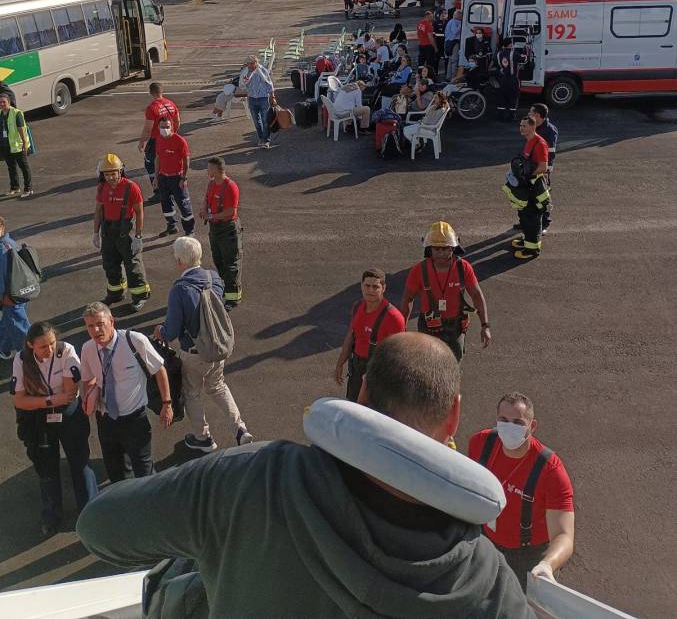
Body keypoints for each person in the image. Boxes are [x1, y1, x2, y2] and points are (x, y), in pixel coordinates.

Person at [77, 333, 534, 619]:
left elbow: (99, 526)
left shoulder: (251, 478)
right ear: (453, 417)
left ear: (362, 392)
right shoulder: (486, 582)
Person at [154, 236, 253, 453]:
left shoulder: (179, 290)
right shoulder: (213, 278)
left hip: (194, 353)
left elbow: (171, 331)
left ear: (180, 261)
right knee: (218, 386)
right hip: (218, 347)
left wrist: (160, 330)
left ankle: (203, 438)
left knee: (192, 393)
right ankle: (240, 429)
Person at [469, 392, 575, 591]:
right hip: (487, 542)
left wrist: (547, 565)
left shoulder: (550, 470)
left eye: (518, 422)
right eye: (503, 420)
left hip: (529, 556)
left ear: (532, 426)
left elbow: (564, 535)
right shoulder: (480, 444)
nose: (509, 427)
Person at [11, 321, 98, 535]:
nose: (49, 350)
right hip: (41, 419)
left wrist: (40, 399)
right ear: (31, 345)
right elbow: (19, 401)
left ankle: (92, 512)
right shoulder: (21, 360)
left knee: (80, 463)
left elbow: (69, 393)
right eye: (43, 347)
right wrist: (50, 400)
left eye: (51, 343)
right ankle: (52, 515)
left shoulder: (66, 350)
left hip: (69, 414)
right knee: (46, 468)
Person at [80, 302, 172, 483]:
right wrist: (90, 396)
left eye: (100, 323)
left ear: (111, 321)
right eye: (91, 326)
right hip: (106, 419)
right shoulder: (87, 349)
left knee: (143, 471)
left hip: (135, 419)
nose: (96, 330)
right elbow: (88, 378)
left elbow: (159, 370)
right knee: (116, 473)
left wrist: (167, 404)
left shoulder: (134, 340)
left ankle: (150, 506)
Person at [401, 221, 490, 364]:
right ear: (429, 249)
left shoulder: (464, 268)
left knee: (454, 363)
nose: (441, 253)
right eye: (437, 249)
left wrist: (485, 326)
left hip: (456, 327)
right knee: (428, 364)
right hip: (429, 329)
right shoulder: (419, 271)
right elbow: (407, 299)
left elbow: (476, 295)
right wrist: (402, 328)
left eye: (445, 249)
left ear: (453, 248)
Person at [334, 269, 406, 400]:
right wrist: (340, 363)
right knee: (353, 408)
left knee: (373, 414)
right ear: (361, 286)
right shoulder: (357, 307)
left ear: (383, 288)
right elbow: (351, 336)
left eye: (375, 286)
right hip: (357, 368)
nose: (371, 290)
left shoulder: (394, 318)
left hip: (379, 372)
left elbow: (398, 355)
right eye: (367, 286)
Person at [93, 153, 150, 311]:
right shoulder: (102, 188)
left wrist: (138, 236)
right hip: (108, 231)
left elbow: (139, 212)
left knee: (133, 265)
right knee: (110, 264)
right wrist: (95, 233)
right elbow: (98, 210)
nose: (110, 177)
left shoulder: (131, 187)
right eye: (107, 174)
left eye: (113, 173)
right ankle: (116, 293)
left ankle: (140, 296)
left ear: (120, 171)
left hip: (127, 232)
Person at [199, 158, 243, 307]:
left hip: (227, 229)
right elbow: (206, 199)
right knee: (219, 260)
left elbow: (231, 211)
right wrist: (203, 209)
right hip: (215, 229)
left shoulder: (230, 187)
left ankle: (233, 297)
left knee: (231, 263)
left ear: (217, 170)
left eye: (209, 168)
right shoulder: (212, 184)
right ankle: (226, 288)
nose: (207, 171)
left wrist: (212, 216)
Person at [507, 117, 550, 260]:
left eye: (524, 126)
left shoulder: (540, 143)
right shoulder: (529, 141)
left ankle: (532, 249)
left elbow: (543, 167)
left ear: (533, 127)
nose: (521, 128)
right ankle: (526, 240)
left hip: (534, 188)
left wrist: (527, 177)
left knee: (533, 218)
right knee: (524, 215)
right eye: (520, 125)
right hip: (526, 187)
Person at [137, 83, 180, 202]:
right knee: (166, 164)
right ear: (162, 91)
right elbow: (177, 121)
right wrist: (172, 134)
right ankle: (170, 190)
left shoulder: (152, 108)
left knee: (150, 164)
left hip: (156, 140)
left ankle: (158, 192)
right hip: (168, 138)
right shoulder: (171, 104)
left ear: (150, 92)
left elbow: (148, 128)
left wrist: (141, 141)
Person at [153, 117, 195, 238]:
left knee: (183, 204)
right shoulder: (159, 139)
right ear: (158, 127)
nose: (164, 129)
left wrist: (183, 178)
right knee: (165, 202)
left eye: (167, 127)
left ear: (172, 126)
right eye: (162, 127)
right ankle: (171, 226)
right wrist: (156, 178)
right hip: (163, 177)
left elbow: (186, 161)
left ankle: (189, 231)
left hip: (177, 178)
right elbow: (158, 158)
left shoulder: (179, 141)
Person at [0, 215, 29, 359]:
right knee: (9, 320)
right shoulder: (10, 243)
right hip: (20, 291)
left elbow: (2, 278)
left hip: (9, 295)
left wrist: (2, 297)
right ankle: (3, 347)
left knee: (18, 326)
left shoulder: (2, 250)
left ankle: (28, 354)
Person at [528, 103, 558, 232]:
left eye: (531, 112)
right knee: (530, 196)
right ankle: (529, 221)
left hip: (541, 169)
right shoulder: (534, 127)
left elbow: (550, 153)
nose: (529, 114)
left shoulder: (549, 131)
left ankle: (545, 222)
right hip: (531, 168)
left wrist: (546, 171)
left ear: (537, 115)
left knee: (543, 196)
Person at [0, 92, 32, 198]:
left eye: (4, 102)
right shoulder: (0, 113)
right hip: (5, 145)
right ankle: (14, 187)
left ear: (9, 102)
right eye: (0, 102)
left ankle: (28, 189)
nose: (2, 104)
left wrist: (25, 144)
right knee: (11, 167)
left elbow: (22, 130)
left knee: (23, 167)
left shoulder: (16, 113)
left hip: (18, 145)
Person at [243, 54, 274, 149]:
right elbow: (243, 84)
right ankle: (261, 138)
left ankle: (266, 140)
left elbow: (269, 84)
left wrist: (273, 96)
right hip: (252, 99)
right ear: (247, 64)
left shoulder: (262, 70)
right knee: (256, 121)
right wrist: (245, 80)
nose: (251, 65)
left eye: (253, 63)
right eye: (249, 64)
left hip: (263, 98)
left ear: (256, 63)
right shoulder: (246, 72)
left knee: (265, 120)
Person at [496, 37, 521, 122]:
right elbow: (524, 59)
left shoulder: (499, 53)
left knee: (502, 97)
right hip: (512, 79)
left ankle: (500, 116)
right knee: (513, 97)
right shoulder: (514, 53)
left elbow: (496, 64)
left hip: (502, 79)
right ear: (511, 44)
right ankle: (511, 116)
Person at [444, 8, 463, 82]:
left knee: (450, 60)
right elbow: (455, 31)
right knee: (454, 60)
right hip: (454, 43)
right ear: (458, 16)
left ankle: (448, 77)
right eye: (461, 16)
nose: (461, 17)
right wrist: (461, 24)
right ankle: (453, 77)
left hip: (448, 43)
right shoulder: (455, 22)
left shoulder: (450, 21)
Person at [432, 8, 447, 72]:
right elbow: (433, 33)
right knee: (436, 59)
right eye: (444, 13)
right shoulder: (436, 22)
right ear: (441, 14)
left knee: (446, 59)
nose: (446, 14)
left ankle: (446, 73)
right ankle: (435, 72)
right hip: (438, 43)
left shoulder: (448, 22)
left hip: (445, 43)